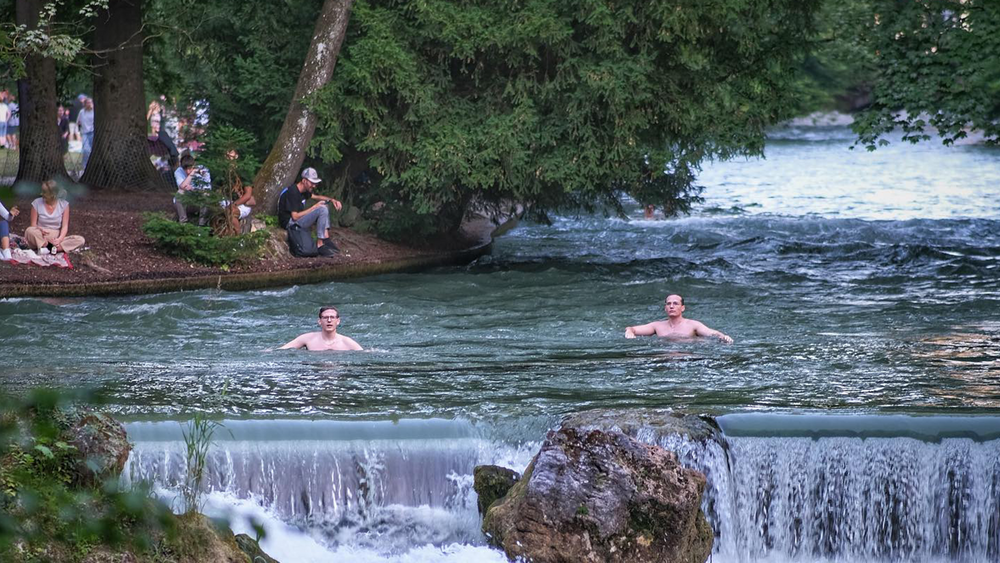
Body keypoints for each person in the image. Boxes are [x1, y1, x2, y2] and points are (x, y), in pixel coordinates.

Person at [277, 167, 342, 256]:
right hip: (290, 223)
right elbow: (295, 216)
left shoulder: (304, 191)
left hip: (297, 221)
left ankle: (325, 239)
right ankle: (320, 244)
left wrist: (332, 200)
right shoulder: (293, 192)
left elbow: (316, 197)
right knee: (321, 209)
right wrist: (314, 207)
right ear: (304, 181)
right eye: (312, 183)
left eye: (315, 183)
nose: (314, 186)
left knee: (323, 206)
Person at [625, 294, 733, 343]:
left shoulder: (693, 325)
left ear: (683, 308)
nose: (671, 306)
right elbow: (632, 329)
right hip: (664, 357)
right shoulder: (657, 326)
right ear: (665, 308)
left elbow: (712, 333)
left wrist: (723, 337)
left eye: (675, 304)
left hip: (688, 358)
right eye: (669, 304)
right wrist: (629, 332)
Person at [25, 180, 85, 254]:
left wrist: (59, 240)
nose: (41, 194)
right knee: (29, 231)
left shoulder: (64, 205)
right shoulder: (36, 203)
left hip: (55, 236)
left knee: (80, 240)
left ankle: (49, 248)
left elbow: (65, 226)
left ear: (53, 194)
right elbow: (33, 225)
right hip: (40, 235)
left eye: (44, 192)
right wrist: (40, 229)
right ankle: (50, 248)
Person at [280, 307, 364, 351]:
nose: (329, 320)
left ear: (338, 321)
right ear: (319, 321)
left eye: (332, 317)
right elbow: (281, 350)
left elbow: (364, 354)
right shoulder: (307, 338)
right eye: (325, 317)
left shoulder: (347, 342)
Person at [173, 154, 210, 225]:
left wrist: (194, 189)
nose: (187, 171)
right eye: (185, 169)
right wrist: (192, 173)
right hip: (186, 200)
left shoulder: (203, 170)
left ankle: (202, 225)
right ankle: (183, 223)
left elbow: (207, 188)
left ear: (194, 165)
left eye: (190, 169)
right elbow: (182, 186)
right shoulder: (178, 171)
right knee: (179, 193)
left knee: (206, 195)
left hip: (200, 198)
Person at [77, 97, 95, 169]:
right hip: (85, 132)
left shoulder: (94, 111)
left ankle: (92, 165)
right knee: (86, 149)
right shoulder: (82, 112)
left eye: (90, 102)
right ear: (85, 104)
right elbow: (78, 122)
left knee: (92, 150)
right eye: (87, 103)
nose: (89, 104)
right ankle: (84, 166)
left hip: (93, 132)